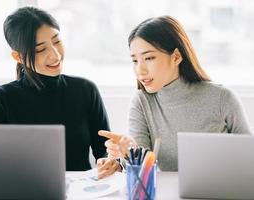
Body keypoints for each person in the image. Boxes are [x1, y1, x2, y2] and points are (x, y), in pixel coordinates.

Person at [97, 15, 252, 177]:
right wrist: (127, 154)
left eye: (149, 58)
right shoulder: (142, 101)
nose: (140, 70)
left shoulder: (223, 98)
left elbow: (249, 157)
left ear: (176, 57)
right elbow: (145, 171)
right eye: (135, 60)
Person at [0, 6, 110, 171]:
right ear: (18, 57)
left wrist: (110, 161)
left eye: (57, 41)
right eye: (41, 49)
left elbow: (105, 151)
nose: (55, 55)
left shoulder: (86, 90)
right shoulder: (2, 98)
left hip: (81, 191)